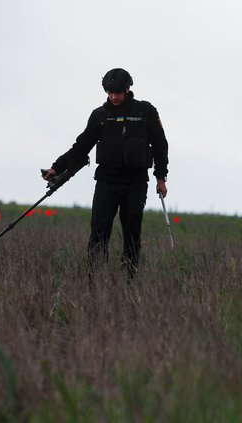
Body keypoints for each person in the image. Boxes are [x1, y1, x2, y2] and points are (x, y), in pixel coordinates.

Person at [43, 68, 169, 282]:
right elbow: (81, 146)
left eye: (118, 92)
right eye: (110, 93)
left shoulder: (145, 111)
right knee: (99, 231)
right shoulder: (100, 115)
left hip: (135, 183)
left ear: (128, 89)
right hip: (106, 183)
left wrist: (160, 177)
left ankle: (129, 278)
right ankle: (95, 280)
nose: (114, 97)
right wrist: (57, 167)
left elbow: (160, 145)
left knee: (132, 232)